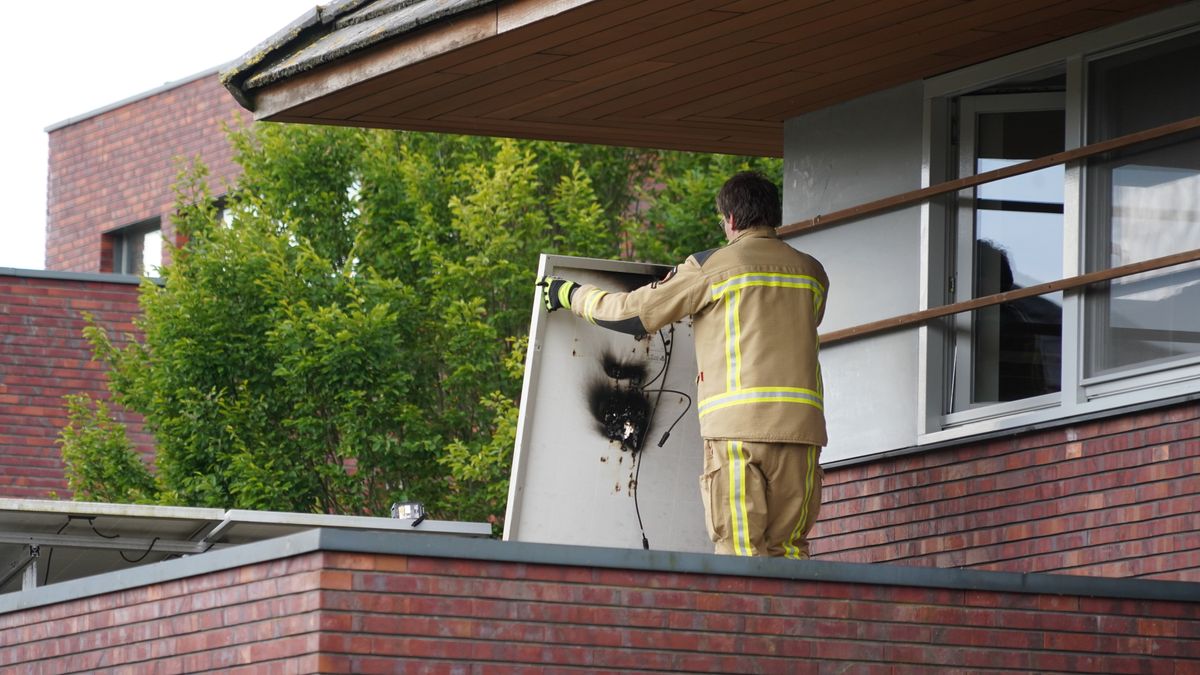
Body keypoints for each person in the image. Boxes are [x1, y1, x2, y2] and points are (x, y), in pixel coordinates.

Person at [538, 171, 829, 558]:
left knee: (741, 555)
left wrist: (569, 293)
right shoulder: (812, 273)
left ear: (730, 220)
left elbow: (633, 314)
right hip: (803, 435)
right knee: (790, 553)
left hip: (737, 434)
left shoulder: (712, 267)